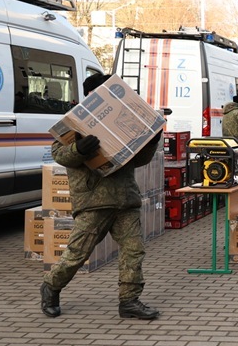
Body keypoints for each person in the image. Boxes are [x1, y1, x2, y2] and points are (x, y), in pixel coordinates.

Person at [40, 73, 165, 321]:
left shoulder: (122, 116)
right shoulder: (73, 123)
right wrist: (78, 149)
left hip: (125, 198)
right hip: (93, 201)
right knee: (78, 253)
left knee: (134, 251)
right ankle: (51, 287)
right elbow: (60, 155)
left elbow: (139, 159)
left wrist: (151, 141)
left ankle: (129, 301)